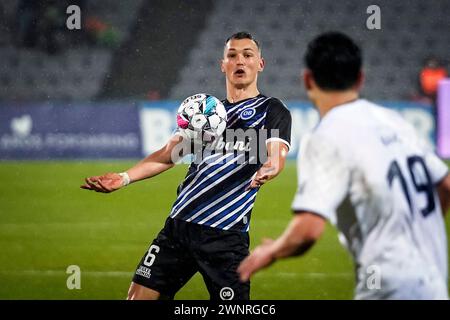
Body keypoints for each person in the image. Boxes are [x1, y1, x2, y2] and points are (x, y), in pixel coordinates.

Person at [238, 32, 450, 300]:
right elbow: (445, 185)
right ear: (361, 78)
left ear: (307, 79)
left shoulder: (326, 135)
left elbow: (309, 229)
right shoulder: (395, 121)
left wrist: (271, 251)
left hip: (390, 288)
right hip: (435, 284)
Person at [81, 31, 292, 300]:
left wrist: (270, 167)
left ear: (260, 64)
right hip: (178, 229)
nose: (240, 60)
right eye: (232, 55)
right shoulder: (206, 112)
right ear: (223, 64)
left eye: (248, 55)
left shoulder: (271, 110)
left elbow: (277, 153)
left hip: (226, 238)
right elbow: (168, 154)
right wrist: (123, 178)